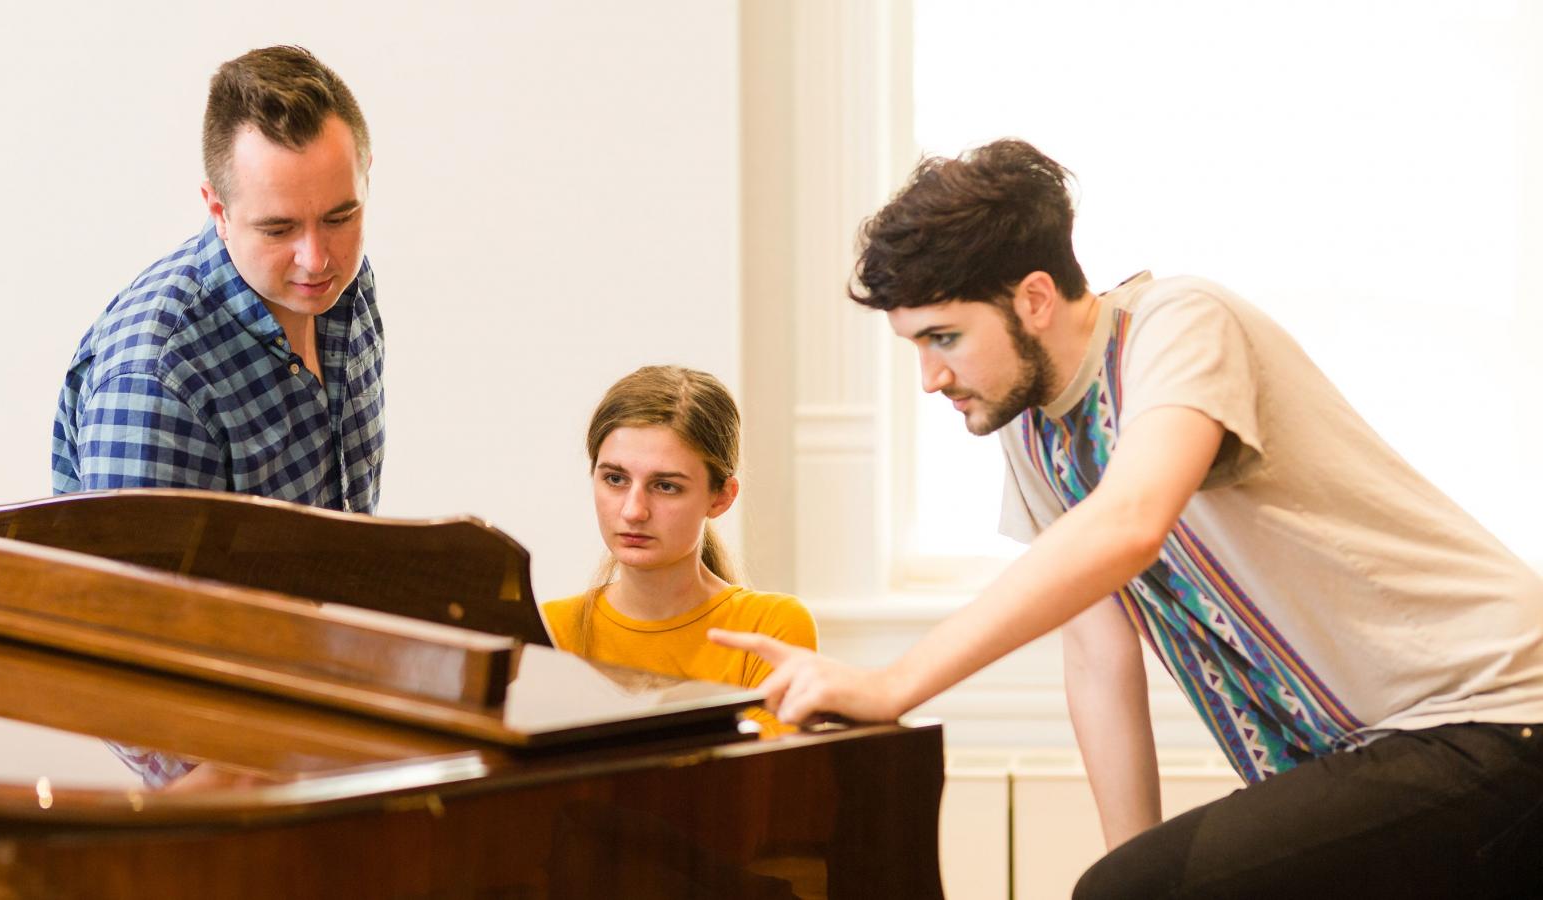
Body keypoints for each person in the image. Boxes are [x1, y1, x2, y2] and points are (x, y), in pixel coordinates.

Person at [713, 140, 1543, 897]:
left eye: (946, 338)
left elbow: (1131, 520)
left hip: (1491, 713)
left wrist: (892, 681)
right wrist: (1124, 870)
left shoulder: (1178, 324)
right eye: (916, 347)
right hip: (1380, 754)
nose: (931, 377)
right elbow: (1099, 657)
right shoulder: (1032, 434)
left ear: (1034, 298)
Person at [52, 45, 383, 514]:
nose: (316, 259)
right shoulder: (155, 381)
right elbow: (142, 591)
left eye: (339, 218)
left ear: (364, 180)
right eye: (278, 228)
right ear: (218, 211)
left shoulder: (344, 285)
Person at [545, 366, 817, 714]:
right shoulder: (553, 630)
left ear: (721, 497)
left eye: (666, 486)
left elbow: (763, 769)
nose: (633, 511)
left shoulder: (769, 627)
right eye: (615, 479)